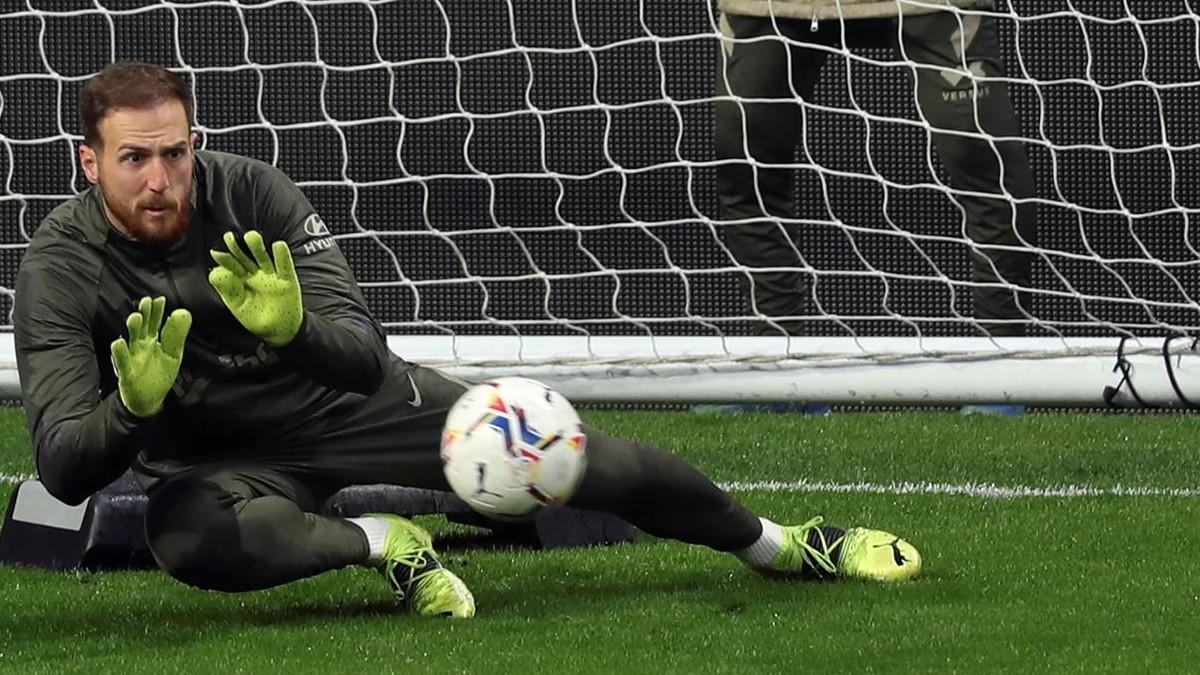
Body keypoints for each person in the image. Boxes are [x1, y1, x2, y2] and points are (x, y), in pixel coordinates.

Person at [14, 61, 921, 619]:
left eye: (175, 151)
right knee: (188, 541)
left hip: (349, 406)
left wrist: (294, 333)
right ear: (89, 162)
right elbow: (63, 468)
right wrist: (133, 404)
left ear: (196, 141)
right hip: (218, 463)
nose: (163, 176)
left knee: (563, 456)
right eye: (135, 158)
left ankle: (780, 543)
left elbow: (365, 350)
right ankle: (383, 542)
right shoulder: (59, 269)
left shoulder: (251, 191)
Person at [715, 0, 1037, 338]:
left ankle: (1001, 359)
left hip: (933, 7)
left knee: (989, 169)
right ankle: (776, 362)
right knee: (744, 165)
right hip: (772, 8)